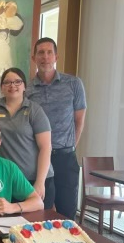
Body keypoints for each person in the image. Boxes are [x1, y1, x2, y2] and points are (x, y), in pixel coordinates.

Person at [26, 37, 87, 220]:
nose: (45, 57)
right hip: (37, 160)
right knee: (38, 213)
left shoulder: (74, 84)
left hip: (65, 159)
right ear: (34, 58)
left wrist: (71, 147)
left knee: (66, 214)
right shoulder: (27, 90)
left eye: (49, 52)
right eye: (40, 53)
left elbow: (79, 120)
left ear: (56, 56)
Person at [0, 67, 55, 209]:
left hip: (33, 179)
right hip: (6, 179)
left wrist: (40, 182)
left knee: (36, 227)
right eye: (7, 82)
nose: (12, 86)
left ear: (24, 86)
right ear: (1, 87)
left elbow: (46, 147)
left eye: (17, 82)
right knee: (7, 225)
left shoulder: (35, 110)